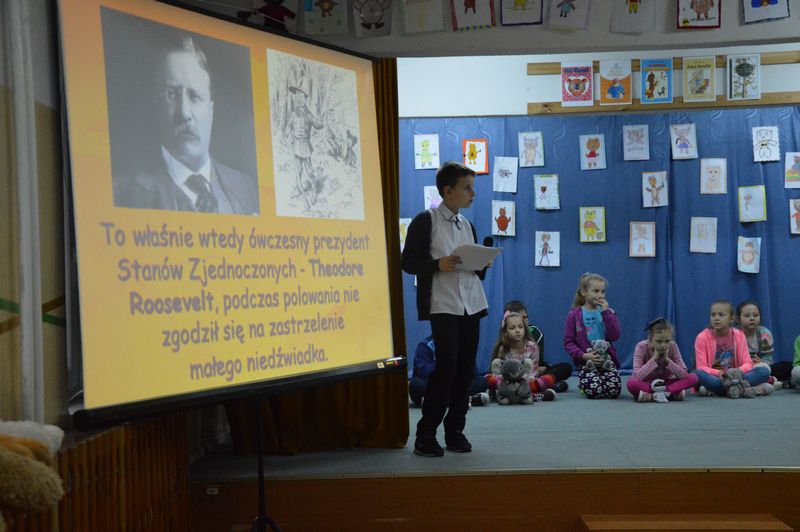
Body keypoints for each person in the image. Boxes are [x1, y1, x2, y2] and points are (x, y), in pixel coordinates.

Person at [401, 161, 489, 457]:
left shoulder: (467, 225)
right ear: (448, 191)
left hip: (471, 304)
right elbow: (407, 262)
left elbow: (472, 270)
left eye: (472, 188)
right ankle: (425, 435)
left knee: (465, 370)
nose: (472, 194)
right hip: (443, 304)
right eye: (467, 188)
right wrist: (437, 264)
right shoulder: (425, 221)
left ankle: (455, 431)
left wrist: (482, 263)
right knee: (446, 368)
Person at [114, 35, 259, 215]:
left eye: (194, 96)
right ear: (156, 104)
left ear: (211, 110)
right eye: (172, 94)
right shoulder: (123, 193)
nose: (184, 113)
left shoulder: (246, 188)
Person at [563, 272, 622, 399]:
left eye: (603, 291)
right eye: (595, 291)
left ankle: (600, 378)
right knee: (594, 391)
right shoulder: (574, 315)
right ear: (584, 292)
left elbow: (615, 336)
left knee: (613, 391)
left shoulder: (608, 313)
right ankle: (585, 383)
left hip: (606, 360)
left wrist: (606, 313)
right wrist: (584, 355)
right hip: (587, 361)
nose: (600, 295)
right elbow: (568, 343)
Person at [693, 300, 770, 396]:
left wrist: (739, 371)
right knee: (697, 373)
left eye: (721, 315)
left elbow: (747, 362)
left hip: (736, 376)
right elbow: (701, 367)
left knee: (763, 371)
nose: (716, 318)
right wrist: (719, 373)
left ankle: (724, 390)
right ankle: (739, 388)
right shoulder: (702, 337)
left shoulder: (739, 335)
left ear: (732, 318)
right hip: (716, 378)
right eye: (713, 315)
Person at [485, 312, 558, 401]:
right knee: (487, 378)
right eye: (512, 328)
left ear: (525, 329)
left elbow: (533, 371)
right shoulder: (502, 348)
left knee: (548, 379)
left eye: (520, 327)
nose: (517, 330)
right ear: (505, 332)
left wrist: (523, 381)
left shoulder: (532, 346)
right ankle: (534, 396)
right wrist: (506, 381)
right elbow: (496, 372)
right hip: (506, 383)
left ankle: (514, 395)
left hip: (525, 382)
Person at [503, 300, 571, 392]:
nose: (525, 321)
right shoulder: (505, 335)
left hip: (534, 370)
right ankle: (543, 385)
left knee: (566, 368)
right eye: (521, 318)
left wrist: (536, 369)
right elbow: (501, 362)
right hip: (513, 372)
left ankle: (539, 384)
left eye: (526, 317)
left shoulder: (535, 332)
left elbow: (539, 360)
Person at [626, 318, 698, 403]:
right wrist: (654, 359)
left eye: (667, 341)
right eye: (659, 341)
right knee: (631, 383)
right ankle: (671, 394)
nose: (663, 345)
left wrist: (667, 360)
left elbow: (684, 374)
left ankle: (659, 394)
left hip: (666, 384)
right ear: (650, 340)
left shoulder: (673, 347)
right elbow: (637, 376)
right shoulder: (641, 347)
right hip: (647, 383)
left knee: (693, 378)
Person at [408, 335, 488, 408]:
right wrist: (444, 360)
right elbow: (423, 372)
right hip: (435, 384)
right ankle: (465, 400)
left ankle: (437, 401)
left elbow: (473, 372)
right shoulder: (425, 345)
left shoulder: (461, 343)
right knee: (415, 384)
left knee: (482, 381)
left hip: (455, 383)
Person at [736, 300, 790, 387]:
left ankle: (759, 381)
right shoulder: (734, 334)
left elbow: (768, 359)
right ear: (738, 318)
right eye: (747, 316)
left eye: (755, 315)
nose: (752, 318)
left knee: (787, 366)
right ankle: (767, 381)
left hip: (760, 367)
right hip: (741, 368)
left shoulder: (764, 333)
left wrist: (760, 362)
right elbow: (729, 359)